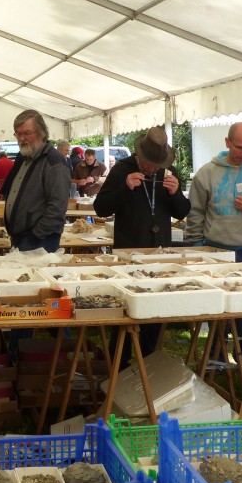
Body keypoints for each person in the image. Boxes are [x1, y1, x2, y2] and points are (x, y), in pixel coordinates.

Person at [95, 126, 191, 366]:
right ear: (139, 155)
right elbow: (101, 208)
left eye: (157, 165)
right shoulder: (122, 170)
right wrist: (125, 189)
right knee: (126, 311)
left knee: (155, 308)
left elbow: (182, 211)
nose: (153, 169)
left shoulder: (168, 172)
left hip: (159, 254)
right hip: (128, 253)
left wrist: (176, 193)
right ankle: (118, 364)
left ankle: (150, 363)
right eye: (149, 164)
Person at [185, 123, 242, 362]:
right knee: (215, 305)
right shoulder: (207, 173)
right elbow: (195, 212)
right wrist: (197, 244)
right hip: (214, 249)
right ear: (227, 143)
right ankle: (216, 352)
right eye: (239, 147)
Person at [0, 110, 71, 252]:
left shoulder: (54, 162)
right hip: (20, 238)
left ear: (41, 133)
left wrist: (35, 235)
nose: (22, 138)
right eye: (18, 133)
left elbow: (57, 208)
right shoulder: (24, 157)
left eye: (27, 133)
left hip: (40, 241)